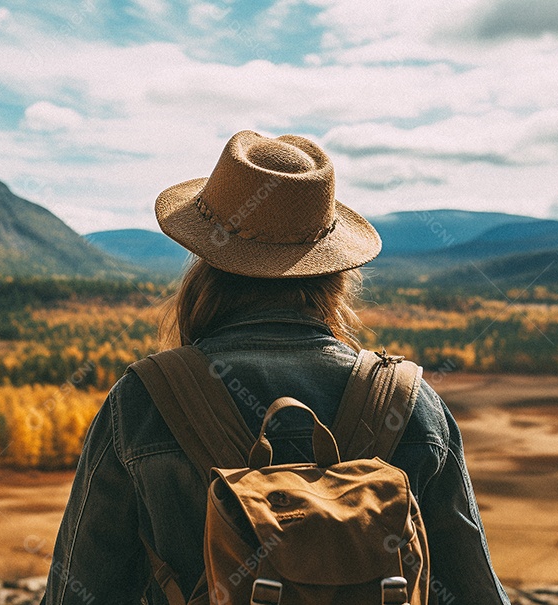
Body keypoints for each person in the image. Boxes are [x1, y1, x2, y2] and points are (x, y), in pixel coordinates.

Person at [41, 130, 510, 604]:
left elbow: (77, 594)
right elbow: (477, 593)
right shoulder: (408, 402)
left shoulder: (145, 399)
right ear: (335, 273)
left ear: (206, 262)